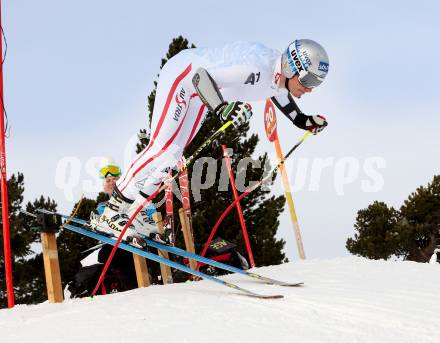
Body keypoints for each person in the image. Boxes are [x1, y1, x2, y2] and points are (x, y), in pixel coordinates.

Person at [92, 39, 330, 242]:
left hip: (200, 92)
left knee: (174, 155)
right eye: (308, 81)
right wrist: (221, 109)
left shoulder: (279, 78)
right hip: (184, 76)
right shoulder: (255, 68)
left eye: (317, 83)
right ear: (291, 68)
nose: (311, 89)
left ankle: (134, 210)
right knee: (161, 148)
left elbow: (279, 94)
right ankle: (112, 211)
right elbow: (200, 75)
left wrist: (302, 120)